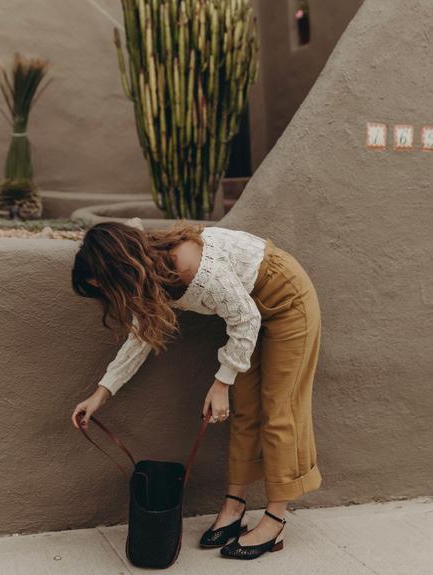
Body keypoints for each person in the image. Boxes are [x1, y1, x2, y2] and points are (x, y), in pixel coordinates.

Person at [70, 220, 322, 560]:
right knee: (245, 409)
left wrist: (220, 383)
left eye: (108, 285)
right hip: (249, 311)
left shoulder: (188, 264)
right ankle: (234, 506)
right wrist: (100, 394)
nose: (111, 295)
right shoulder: (150, 274)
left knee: (280, 411)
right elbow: (139, 340)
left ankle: (275, 520)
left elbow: (245, 318)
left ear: (121, 268)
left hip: (286, 301)